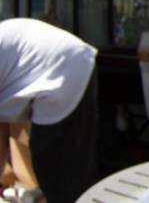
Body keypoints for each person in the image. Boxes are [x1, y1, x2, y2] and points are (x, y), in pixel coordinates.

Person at [0, 18, 99, 203]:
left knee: (55, 164)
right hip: (67, 60)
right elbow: (2, 134)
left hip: (61, 67)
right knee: (68, 162)